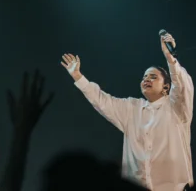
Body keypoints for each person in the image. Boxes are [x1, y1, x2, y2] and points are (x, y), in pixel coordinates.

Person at [61, 33, 193, 191]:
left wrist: (170, 59)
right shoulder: (132, 108)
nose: (146, 80)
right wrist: (78, 76)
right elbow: (102, 101)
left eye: (153, 77)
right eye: (144, 77)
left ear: (166, 87)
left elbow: (182, 86)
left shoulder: (177, 107)